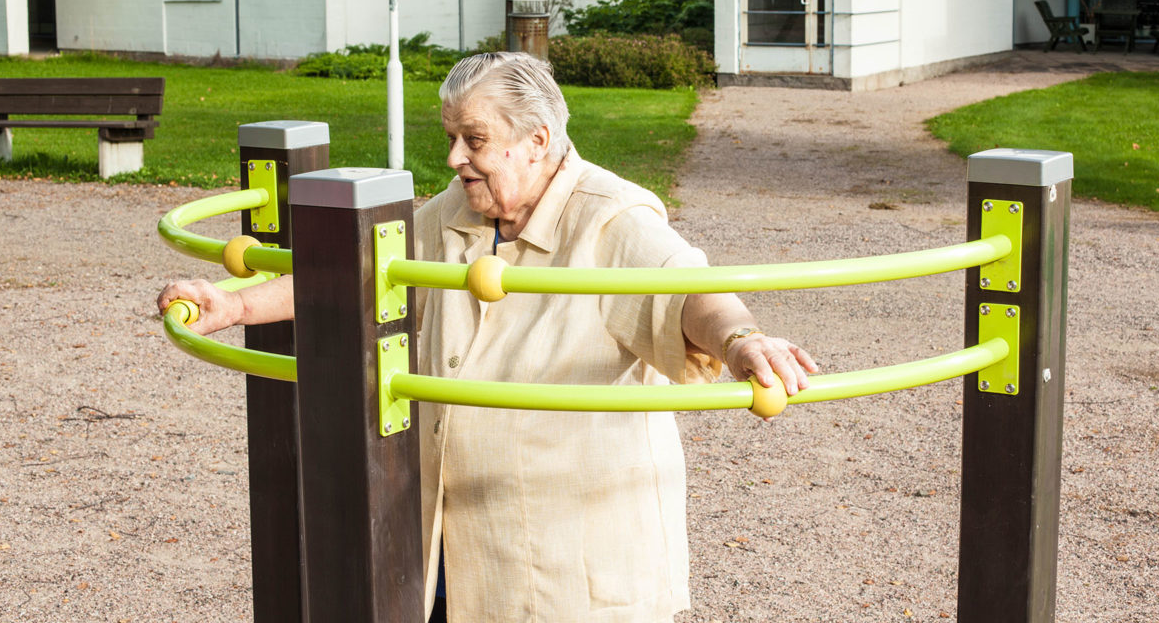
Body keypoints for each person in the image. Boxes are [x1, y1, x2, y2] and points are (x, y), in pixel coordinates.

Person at [158, 52, 817, 622]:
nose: (454, 158)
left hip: (569, 565)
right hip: (460, 547)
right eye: (452, 136)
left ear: (536, 140)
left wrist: (741, 341)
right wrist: (234, 305)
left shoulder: (608, 219)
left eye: (473, 139)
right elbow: (359, 272)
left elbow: (686, 290)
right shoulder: (457, 212)